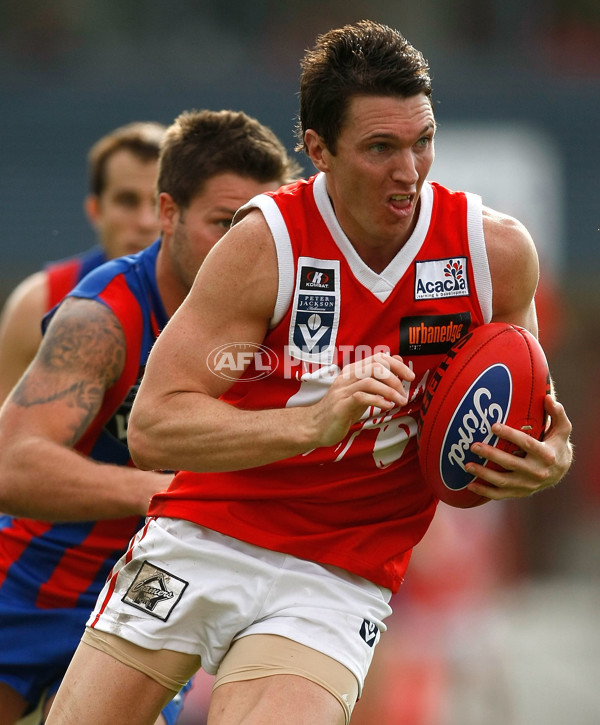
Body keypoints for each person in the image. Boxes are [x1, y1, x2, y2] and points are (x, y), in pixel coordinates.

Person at [46, 20, 573, 725]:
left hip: (337, 575)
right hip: (205, 536)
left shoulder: (495, 255)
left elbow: (527, 411)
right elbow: (154, 424)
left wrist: (546, 458)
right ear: (318, 150)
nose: (409, 170)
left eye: (423, 141)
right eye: (380, 148)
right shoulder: (266, 243)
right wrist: (311, 422)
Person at [0, 108, 297, 725]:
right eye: (225, 223)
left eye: (261, 229)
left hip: (151, 597)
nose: (246, 247)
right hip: (29, 583)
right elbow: (10, 464)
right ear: (170, 215)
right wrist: (164, 490)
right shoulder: (101, 314)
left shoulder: (291, 315)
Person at [0, 120, 166, 406]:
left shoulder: (221, 302)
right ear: (95, 210)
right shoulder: (39, 303)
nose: (145, 222)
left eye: (158, 203)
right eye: (127, 201)